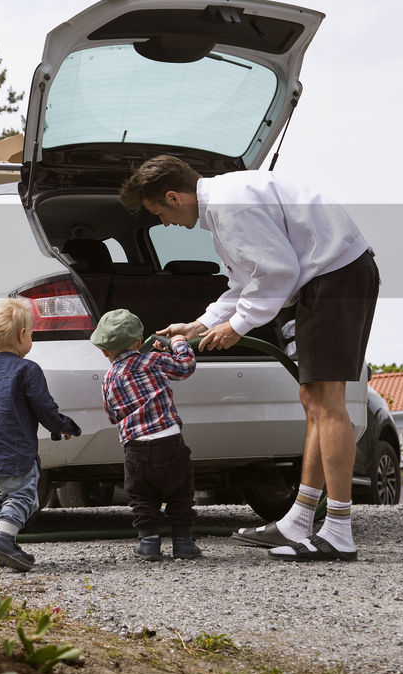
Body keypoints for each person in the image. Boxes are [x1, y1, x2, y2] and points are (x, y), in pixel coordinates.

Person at [119, 155, 379, 562]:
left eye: (159, 213)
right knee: (313, 401)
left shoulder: (230, 206)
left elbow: (276, 273)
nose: (164, 222)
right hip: (323, 281)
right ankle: (299, 520)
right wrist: (200, 325)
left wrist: (238, 326)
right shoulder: (223, 206)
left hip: (336, 278)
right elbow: (247, 281)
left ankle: (340, 531)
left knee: (329, 404)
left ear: (174, 196)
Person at [0, 297, 81, 572]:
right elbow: (44, 407)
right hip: (14, 458)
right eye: (31, 333)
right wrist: (64, 426)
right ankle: (4, 540)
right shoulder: (27, 369)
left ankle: (2, 547)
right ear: (22, 335)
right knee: (22, 498)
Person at [90, 308, 200, 561]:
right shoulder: (152, 360)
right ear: (139, 342)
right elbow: (186, 367)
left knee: (142, 496)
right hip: (169, 440)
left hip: (135, 447)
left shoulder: (108, 378)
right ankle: (183, 542)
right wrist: (180, 343)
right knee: (180, 493)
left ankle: (149, 543)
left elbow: (111, 414)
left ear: (105, 351)